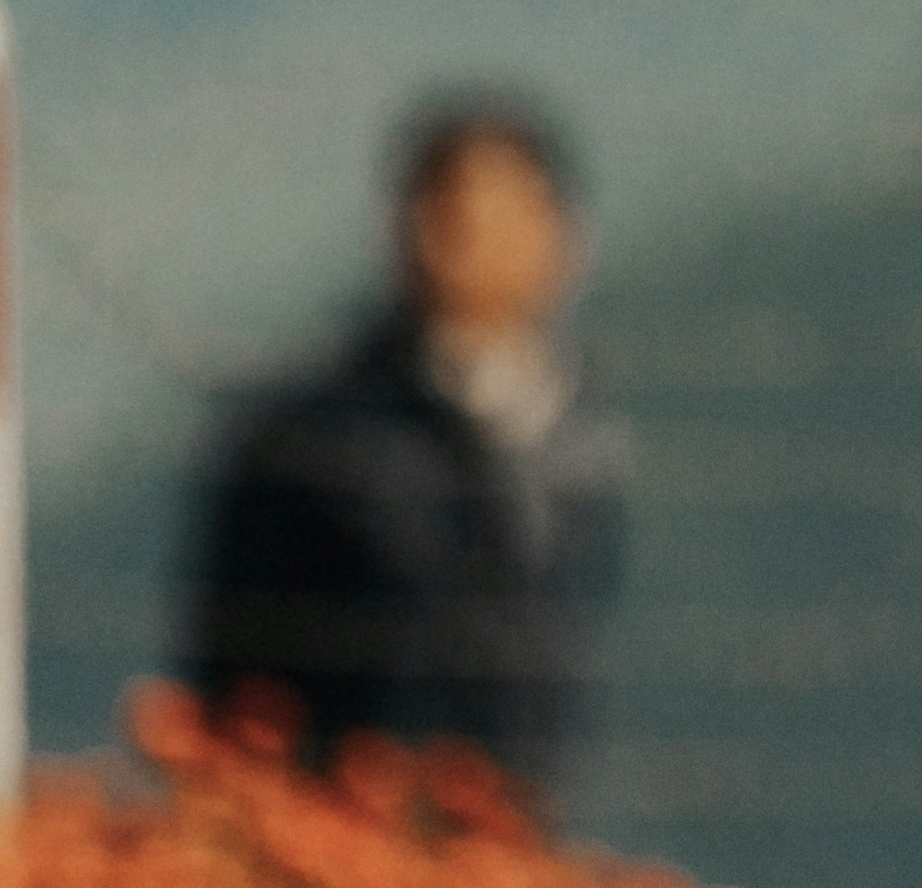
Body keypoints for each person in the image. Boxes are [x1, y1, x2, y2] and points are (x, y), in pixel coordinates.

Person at [179, 91, 630, 803]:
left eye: (504, 216)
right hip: (347, 841)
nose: (471, 245)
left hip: (516, 845)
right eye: (451, 217)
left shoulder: (586, 441)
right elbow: (231, 680)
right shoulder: (312, 441)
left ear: (564, 237)